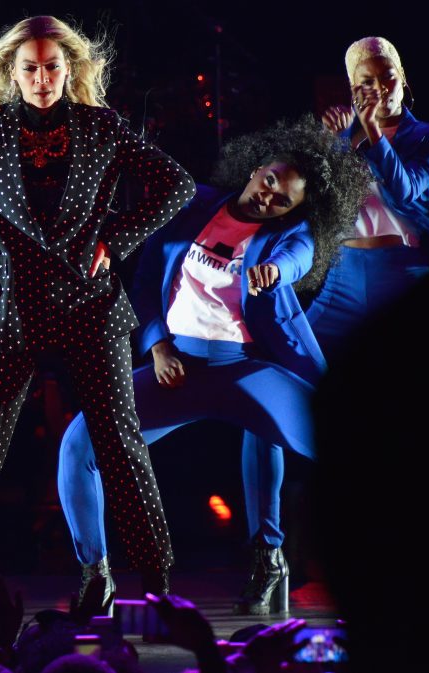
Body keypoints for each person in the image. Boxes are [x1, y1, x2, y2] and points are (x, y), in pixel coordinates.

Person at [0, 15, 195, 599]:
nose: (41, 78)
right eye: (29, 68)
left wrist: (119, 238)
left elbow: (177, 185)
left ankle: (154, 586)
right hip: (5, 309)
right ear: (13, 71)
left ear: (68, 69)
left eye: (52, 67)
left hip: (89, 307)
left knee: (120, 446)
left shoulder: (102, 126)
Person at [57, 117, 369, 614]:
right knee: (79, 443)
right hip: (178, 371)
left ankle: (279, 560)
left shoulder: (292, 235)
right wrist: (157, 347)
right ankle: (97, 577)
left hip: (247, 373)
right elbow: (145, 284)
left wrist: (275, 270)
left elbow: (298, 256)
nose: (268, 198)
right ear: (256, 169)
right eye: (269, 182)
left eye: (282, 200)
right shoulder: (193, 205)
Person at [308, 36, 429, 358]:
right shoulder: (344, 136)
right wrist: (329, 141)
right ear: (354, 90)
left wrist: (373, 132)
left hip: (400, 268)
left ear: (403, 78)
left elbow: (404, 191)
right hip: (343, 270)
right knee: (302, 355)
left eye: (387, 77)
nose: (380, 88)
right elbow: (320, 199)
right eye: (367, 81)